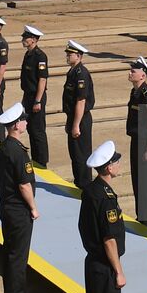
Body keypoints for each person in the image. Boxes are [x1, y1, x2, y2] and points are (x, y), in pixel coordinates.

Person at [0, 102, 40, 293]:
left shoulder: (4, 148)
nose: (26, 122)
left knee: (11, 251)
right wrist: (33, 207)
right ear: (16, 125)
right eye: (23, 120)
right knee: (18, 255)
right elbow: (24, 184)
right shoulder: (19, 153)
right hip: (18, 209)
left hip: (6, 205)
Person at [78, 140, 127, 293]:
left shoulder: (91, 191)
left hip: (92, 262)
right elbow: (109, 239)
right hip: (106, 266)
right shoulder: (106, 199)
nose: (119, 164)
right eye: (116, 162)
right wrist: (118, 271)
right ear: (108, 168)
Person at [126, 57, 147, 229]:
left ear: (143, 75)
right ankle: (141, 217)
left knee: (145, 183)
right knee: (137, 180)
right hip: (136, 141)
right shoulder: (135, 92)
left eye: (133, 71)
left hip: (146, 143)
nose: (130, 73)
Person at [62, 40, 95, 187]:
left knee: (81, 154)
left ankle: (84, 185)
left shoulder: (81, 74)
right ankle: (79, 183)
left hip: (81, 119)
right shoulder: (73, 72)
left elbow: (81, 101)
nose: (67, 56)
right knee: (75, 154)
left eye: (70, 54)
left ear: (79, 56)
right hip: (74, 117)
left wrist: (75, 125)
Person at [19, 25, 50, 167]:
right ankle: (36, 159)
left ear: (33, 40)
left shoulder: (40, 57)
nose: (23, 40)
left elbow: (42, 80)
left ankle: (42, 161)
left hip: (36, 97)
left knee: (38, 130)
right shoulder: (28, 54)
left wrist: (37, 100)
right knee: (31, 128)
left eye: (26, 38)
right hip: (28, 96)